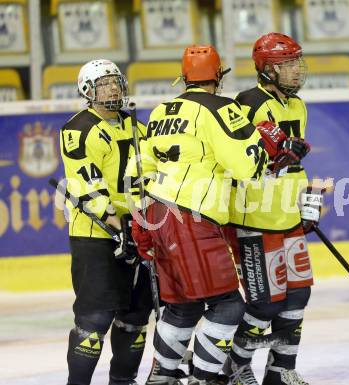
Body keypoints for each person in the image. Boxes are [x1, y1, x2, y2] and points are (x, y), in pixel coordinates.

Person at [126, 45, 291, 385]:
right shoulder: (221, 108)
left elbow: (138, 171)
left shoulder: (160, 111)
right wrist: (267, 147)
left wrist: (140, 220)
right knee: (228, 306)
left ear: (185, 77)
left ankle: (161, 378)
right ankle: (204, 378)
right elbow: (248, 167)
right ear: (217, 75)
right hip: (192, 216)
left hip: (157, 212)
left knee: (183, 307)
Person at [224, 33, 314, 385]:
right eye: (285, 64)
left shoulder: (297, 106)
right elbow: (236, 160)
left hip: (287, 216)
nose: (295, 71)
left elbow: (297, 163)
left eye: (296, 62)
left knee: (298, 296)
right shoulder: (246, 102)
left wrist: (307, 203)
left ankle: (279, 372)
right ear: (266, 70)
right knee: (264, 304)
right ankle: (234, 365)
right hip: (255, 219)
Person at [59, 59, 153, 385]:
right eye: (104, 84)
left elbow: (154, 174)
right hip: (96, 236)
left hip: (136, 231)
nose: (113, 88)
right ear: (88, 91)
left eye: (115, 82)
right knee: (94, 318)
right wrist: (116, 224)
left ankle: (123, 381)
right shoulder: (78, 128)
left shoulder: (135, 125)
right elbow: (87, 184)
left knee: (136, 317)